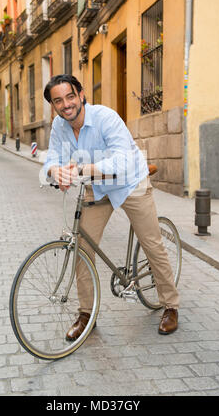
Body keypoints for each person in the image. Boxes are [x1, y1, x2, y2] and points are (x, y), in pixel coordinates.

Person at [43, 74, 179, 341]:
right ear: (54, 106)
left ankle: (171, 305)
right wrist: (54, 172)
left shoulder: (106, 118)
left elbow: (122, 162)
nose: (66, 104)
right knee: (82, 248)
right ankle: (86, 314)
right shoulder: (59, 127)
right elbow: (51, 159)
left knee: (152, 243)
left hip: (130, 183)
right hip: (97, 187)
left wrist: (83, 168)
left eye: (70, 97)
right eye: (58, 100)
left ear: (81, 95)